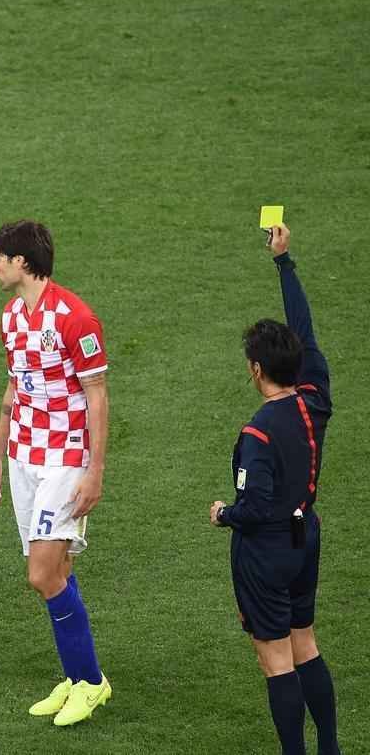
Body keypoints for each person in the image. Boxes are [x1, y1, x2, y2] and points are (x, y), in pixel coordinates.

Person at [0, 220, 112, 726]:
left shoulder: (76, 319)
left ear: (22, 263)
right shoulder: (11, 317)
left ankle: (91, 682)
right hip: (22, 456)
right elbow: (16, 391)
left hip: (64, 459)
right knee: (55, 572)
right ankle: (79, 679)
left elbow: (97, 397)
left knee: (41, 574)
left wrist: (95, 471)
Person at [210, 223, 339, 755]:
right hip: (305, 536)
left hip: (265, 553)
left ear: (256, 369)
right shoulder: (315, 399)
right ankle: (330, 746)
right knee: (305, 642)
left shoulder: (259, 431)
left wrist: (224, 515)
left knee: (276, 658)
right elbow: (304, 333)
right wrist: (284, 264)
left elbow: (256, 506)